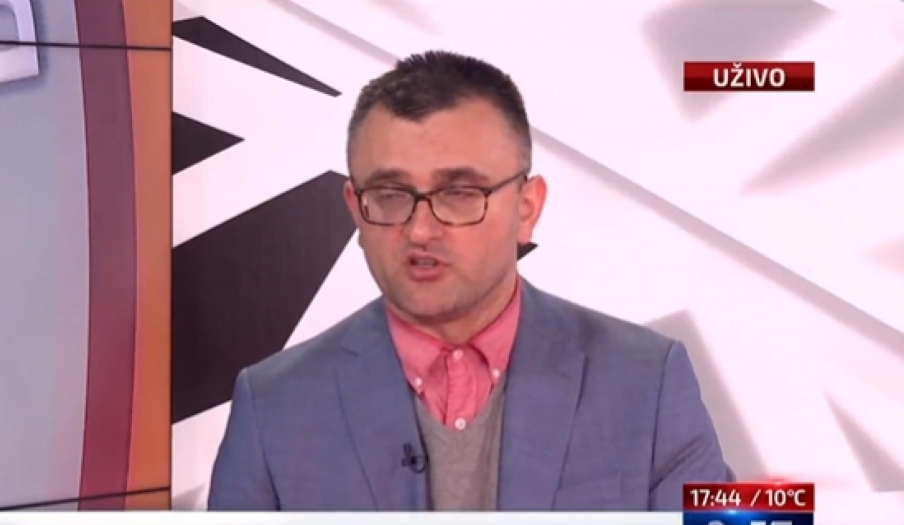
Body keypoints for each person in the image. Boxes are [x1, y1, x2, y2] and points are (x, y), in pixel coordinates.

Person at [208, 50, 732, 511]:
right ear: (355, 208)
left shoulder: (647, 382)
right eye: (390, 194)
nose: (420, 229)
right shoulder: (273, 407)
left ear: (527, 208)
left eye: (459, 193)